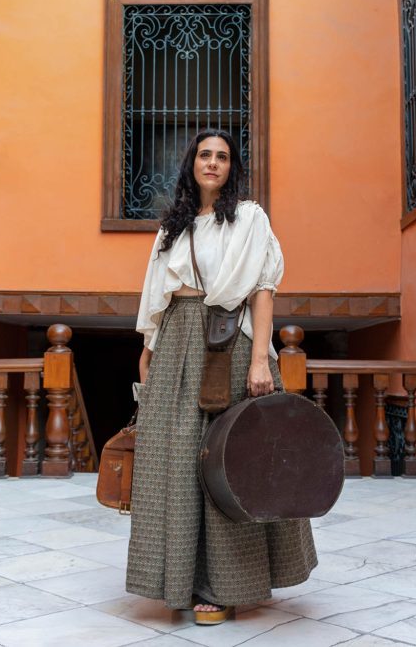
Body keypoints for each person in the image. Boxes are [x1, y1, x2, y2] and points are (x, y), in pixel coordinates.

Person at [126, 129, 318, 625]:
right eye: (205, 155)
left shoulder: (250, 219)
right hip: (175, 342)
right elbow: (156, 293)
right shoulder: (173, 226)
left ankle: (225, 585)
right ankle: (179, 579)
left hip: (229, 342)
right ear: (192, 164)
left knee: (231, 460)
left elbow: (262, 290)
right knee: (174, 463)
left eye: (223, 156)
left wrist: (260, 361)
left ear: (233, 167)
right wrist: (148, 350)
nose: (212, 162)